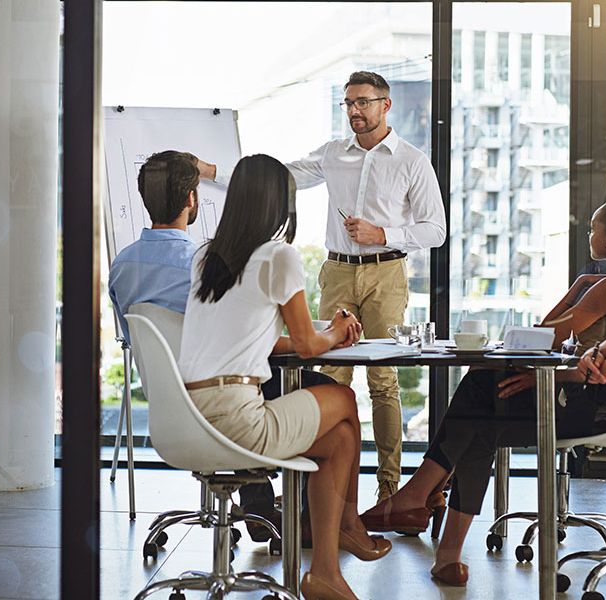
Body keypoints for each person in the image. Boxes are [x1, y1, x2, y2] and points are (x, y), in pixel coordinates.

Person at [360, 171, 606, 587]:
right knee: (484, 403)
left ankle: (420, 505)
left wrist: (565, 373)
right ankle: (437, 538)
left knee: (483, 393)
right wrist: (600, 350)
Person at [198, 71, 447, 503]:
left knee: (384, 380)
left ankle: (388, 488)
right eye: (348, 103)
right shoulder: (333, 154)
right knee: (331, 374)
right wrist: (210, 172)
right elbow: (275, 177)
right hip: (338, 271)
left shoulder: (411, 159)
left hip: (386, 272)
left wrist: (383, 234)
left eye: (363, 102)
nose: (354, 110)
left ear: (386, 105)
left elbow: (436, 230)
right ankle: (325, 492)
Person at [179, 154, 389, 600]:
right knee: (343, 401)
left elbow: (262, 341)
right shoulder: (278, 255)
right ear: (280, 202)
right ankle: (343, 537)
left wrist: (324, 335)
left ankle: (329, 570)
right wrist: (335, 332)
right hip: (239, 420)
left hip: (189, 417)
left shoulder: (206, 257)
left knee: (339, 441)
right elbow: (309, 346)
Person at [107, 150, 333, 543]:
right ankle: (293, 516)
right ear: (193, 198)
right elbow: (233, 343)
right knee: (316, 389)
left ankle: (262, 505)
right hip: (219, 393)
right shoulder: (205, 262)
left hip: (165, 402)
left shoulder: (121, 265)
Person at [493, 186, 606, 399]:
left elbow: (545, 336)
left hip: (584, 392)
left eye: (593, 229)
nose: (589, 236)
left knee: (481, 379)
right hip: (594, 384)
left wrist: (575, 290)